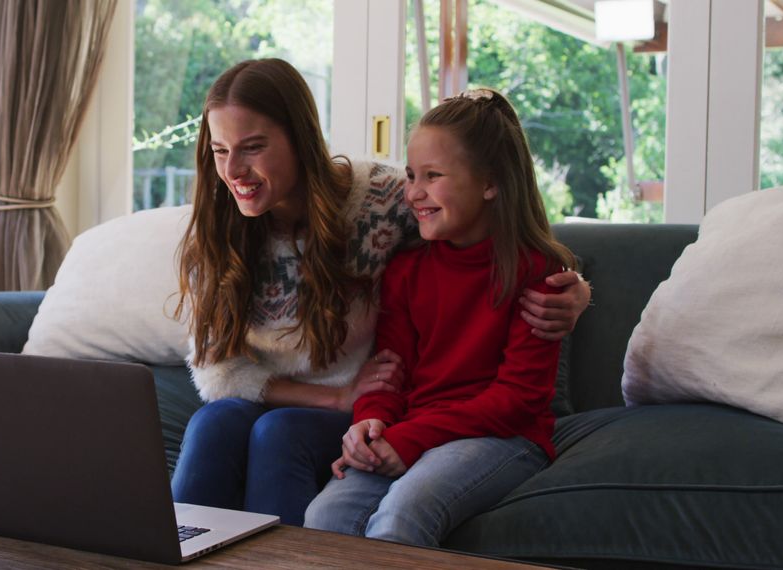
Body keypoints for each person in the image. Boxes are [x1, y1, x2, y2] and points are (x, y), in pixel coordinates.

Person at [170, 59, 589, 526]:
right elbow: (215, 372)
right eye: (219, 149)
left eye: (253, 147)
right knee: (213, 423)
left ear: (300, 139)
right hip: (332, 405)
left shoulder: (384, 200)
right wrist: (339, 399)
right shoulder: (216, 230)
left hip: (358, 413)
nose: (233, 170)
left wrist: (576, 287)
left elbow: (498, 228)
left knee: (278, 432)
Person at [303, 87, 571, 546]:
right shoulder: (406, 269)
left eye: (433, 175)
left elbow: (519, 398)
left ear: (490, 182)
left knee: (402, 513)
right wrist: (368, 424)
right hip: (414, 428)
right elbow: (390, 374)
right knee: (324, 516)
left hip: (504, 438)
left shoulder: (536, 272)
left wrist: (411, 439)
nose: (414, 192)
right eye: (411, 175)